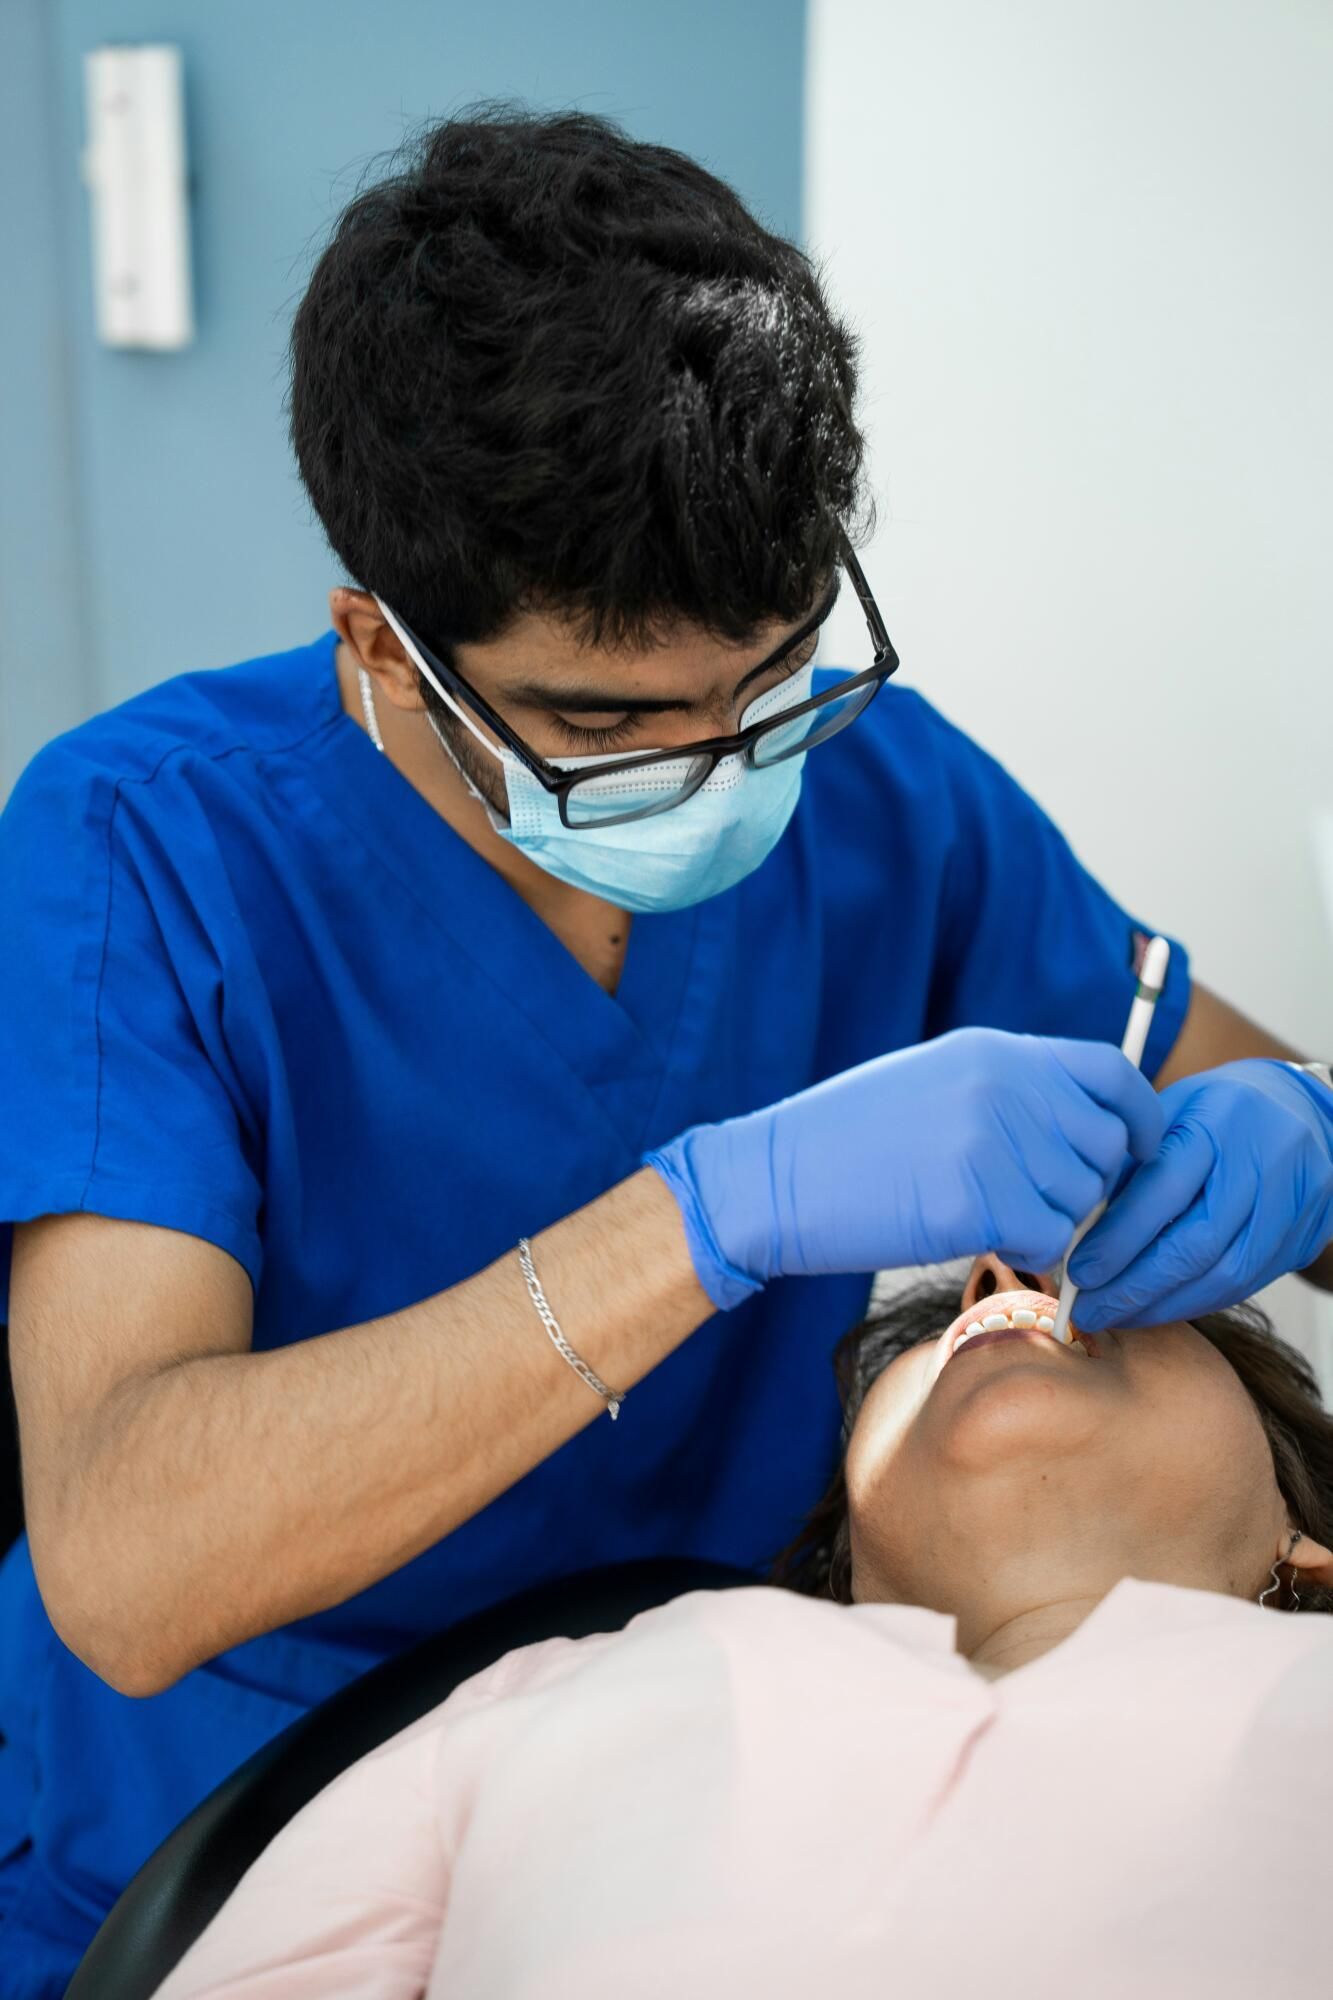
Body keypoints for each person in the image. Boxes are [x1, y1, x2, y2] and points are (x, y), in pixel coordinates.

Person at [1, 106, 1331, 1990]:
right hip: (245, 1827)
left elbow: (1258, 1107)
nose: (719, 771)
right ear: (380, 649)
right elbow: (130, 1565)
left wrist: (1301, 1133)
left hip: (753, 1785)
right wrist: (706, 1214)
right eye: (611, 722)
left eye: (767, 679)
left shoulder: (884, 796)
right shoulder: (145, 852)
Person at [149, 1254, 1333, 1998]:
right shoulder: (561, 1689)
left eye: (1148, 1299)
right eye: (937, 1329)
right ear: (844, 1557)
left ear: (1308, 1552)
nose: (992, 1281)